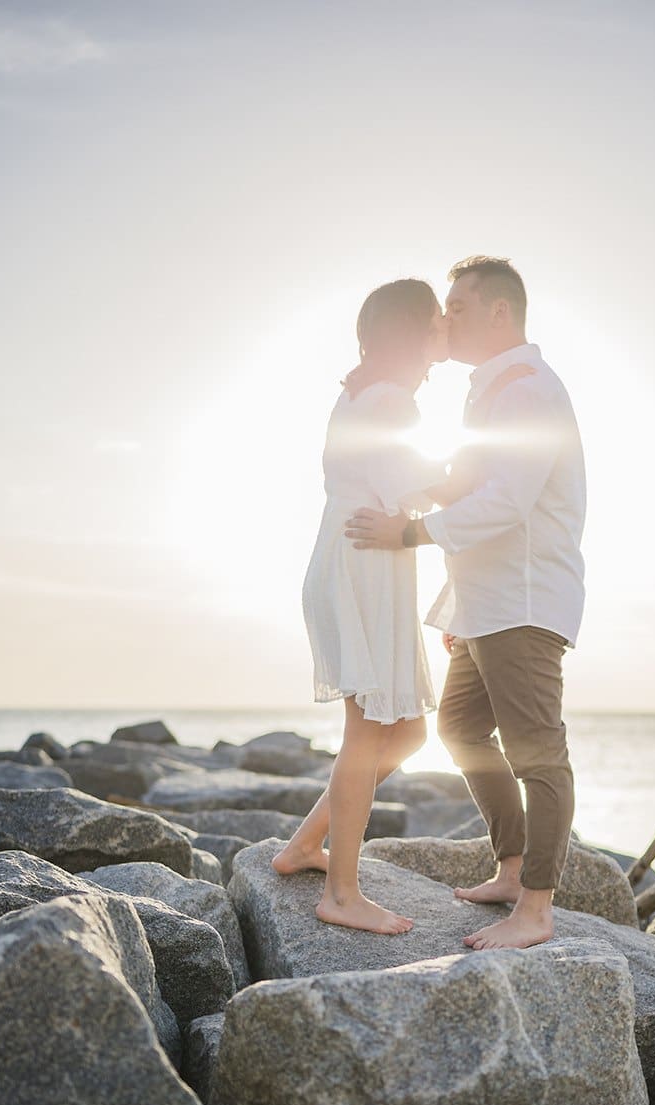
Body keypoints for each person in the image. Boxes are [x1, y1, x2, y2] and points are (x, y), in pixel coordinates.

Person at [344, 256, 587, 950]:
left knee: (538, 754)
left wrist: (408, 533)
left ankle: (535, 911)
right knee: (459, 730)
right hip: (488, 603)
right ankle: (511, 868)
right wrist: (459, 606)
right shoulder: (492, 391)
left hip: (524, 601)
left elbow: (506, 502)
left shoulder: (527, 389)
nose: (442, 320)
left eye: (456, 307)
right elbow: (465, 487)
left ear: (499, 314)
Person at [271, 278, 448, 935]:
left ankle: (301, 848)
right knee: (368, 730)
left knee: (405, 732)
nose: (442, 343)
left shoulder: (361, 393)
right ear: (412, 334)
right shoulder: (390, 401)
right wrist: (495, 476)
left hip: (360, 563)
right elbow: (420, 487)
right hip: (361, 569)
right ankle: (341, 894)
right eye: (435, 327)